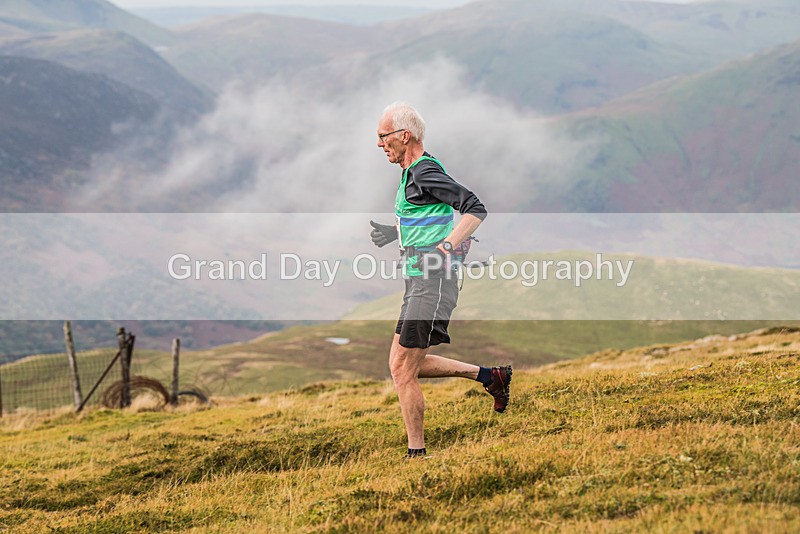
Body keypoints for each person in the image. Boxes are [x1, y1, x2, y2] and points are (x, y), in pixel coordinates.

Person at [370, 102, 512, 459]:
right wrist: (395, 233)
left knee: (403, 370)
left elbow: (474, 207)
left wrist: (447, 246)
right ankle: (490, 376)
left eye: (383, 136)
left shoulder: (423, 171)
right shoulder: (412, 174)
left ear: (405, 136)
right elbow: (428, 216)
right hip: (420, 281)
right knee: (402, 364)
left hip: (432, 281)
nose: (379, 144)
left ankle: (416, 453)